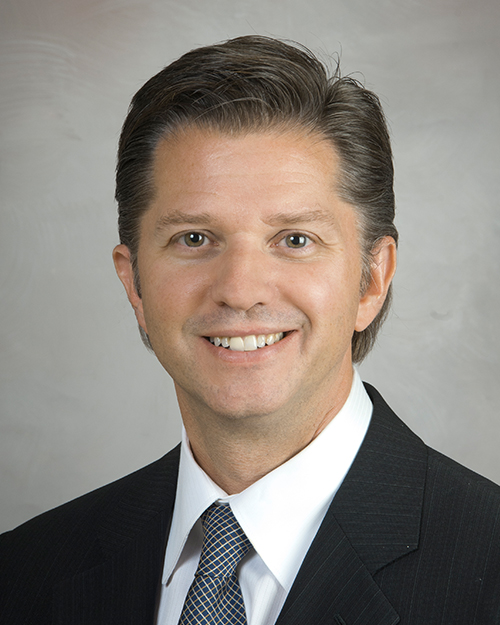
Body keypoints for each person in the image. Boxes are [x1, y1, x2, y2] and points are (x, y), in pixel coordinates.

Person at [1, 35, 499, 625]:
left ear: (372, 279)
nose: (240, 289)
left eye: (295, 240)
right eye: (193, 238)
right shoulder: (23, 574)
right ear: (134, 283)